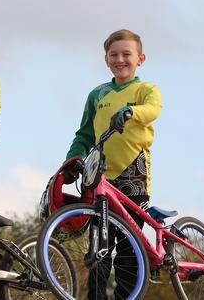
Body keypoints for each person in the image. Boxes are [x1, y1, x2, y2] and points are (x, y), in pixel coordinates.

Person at [64, 29, 161, 299]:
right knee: (98, 248)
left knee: (128, 249)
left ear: (140, 59)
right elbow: (83, 134)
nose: (120, 59)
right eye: (114, 55)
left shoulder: (146, 90)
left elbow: (153, 109)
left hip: (134, 175)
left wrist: (131, 111)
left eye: (126, 54)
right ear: (106, 59)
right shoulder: (97, 94)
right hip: (99, 177)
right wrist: (72, 160)